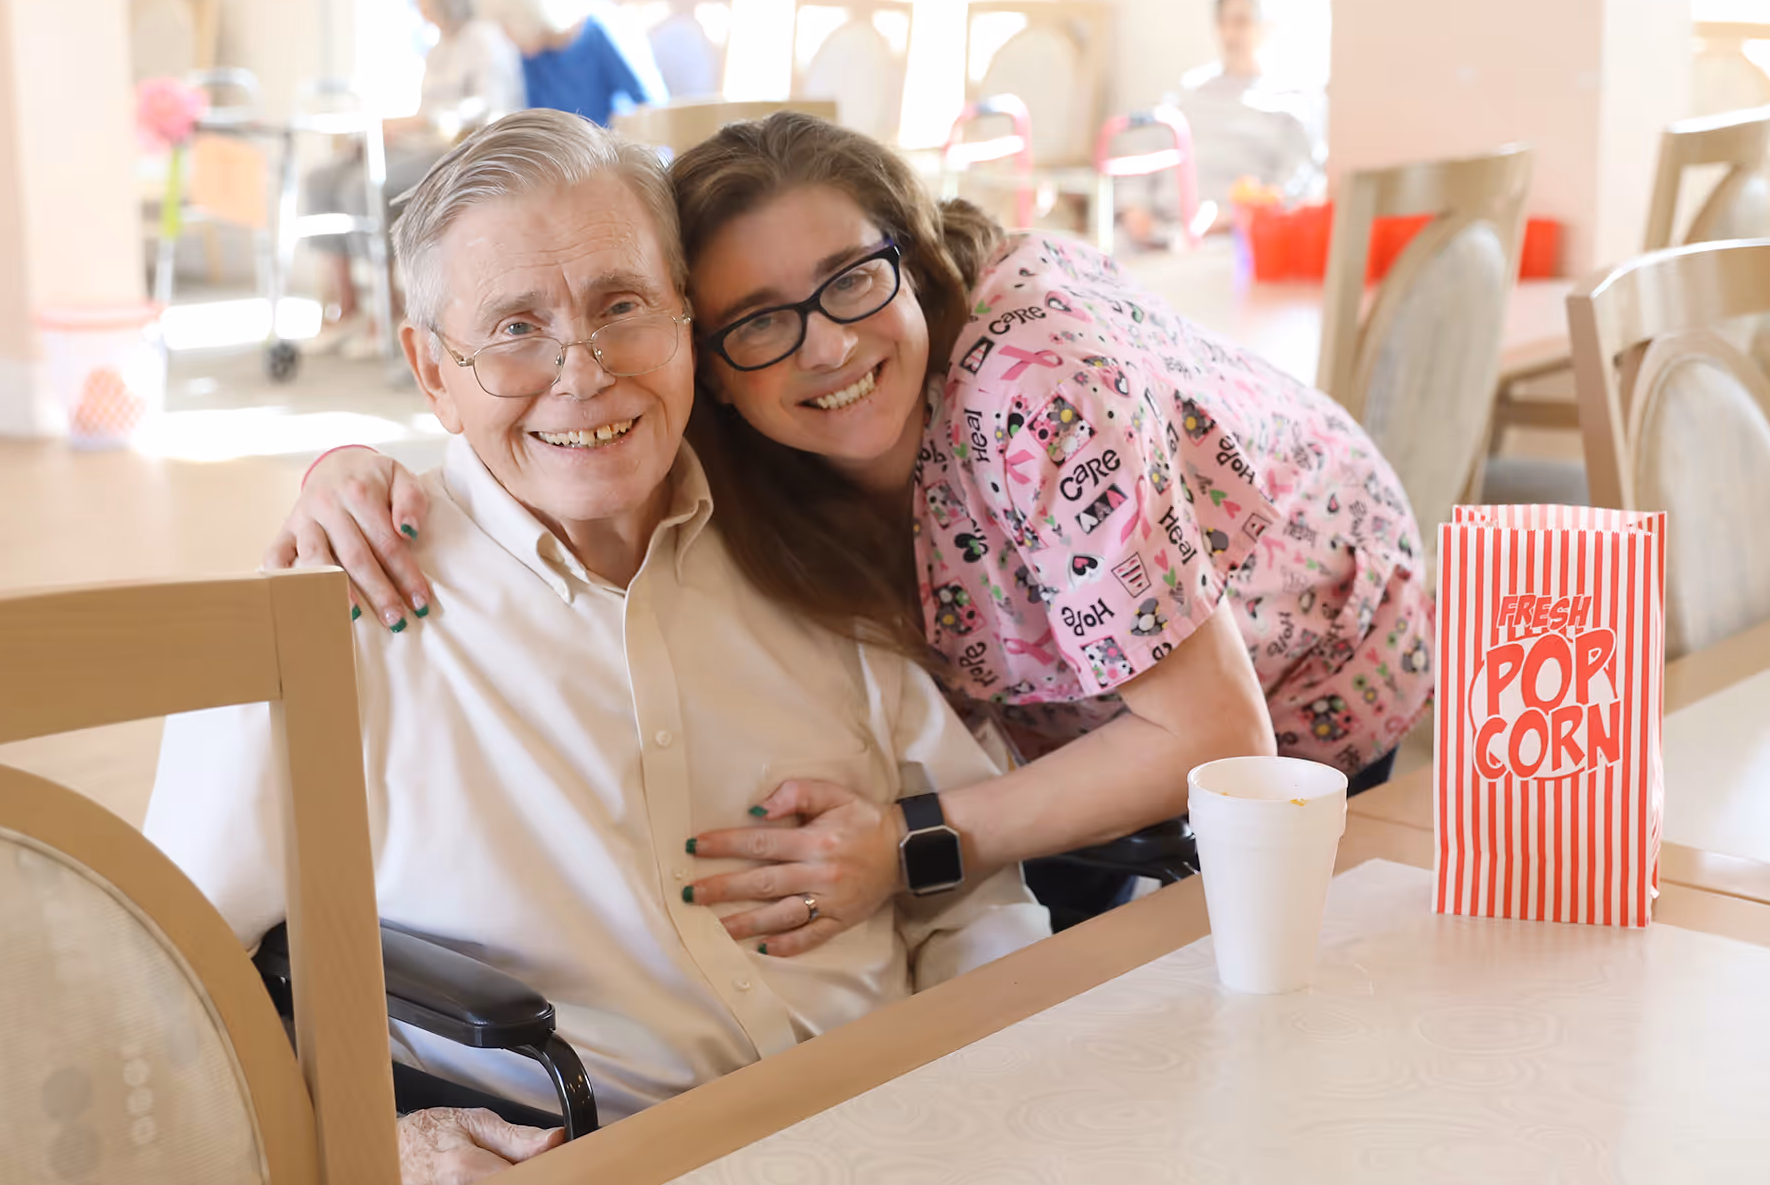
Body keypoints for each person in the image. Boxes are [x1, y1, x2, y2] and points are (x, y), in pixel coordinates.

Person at [278, 110, 1433, 949]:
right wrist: (349, 472)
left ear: (914, 258)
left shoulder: (1034, 388)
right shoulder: (712, 406)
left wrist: (911, 837)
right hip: (1087, 722)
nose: (823, 346)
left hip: (1303, 695)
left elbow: (1212, 733)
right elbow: (557, 414)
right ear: (704, 347)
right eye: (760, 320)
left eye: (851, 280)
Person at [148, 111, 1049, 1185]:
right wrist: (374, 1143)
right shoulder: (329, 615)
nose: (581, 372)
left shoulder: (798, 537)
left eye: (621, 307)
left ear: (685, 320)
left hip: (918, 1124)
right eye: (514, 328)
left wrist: (1006, 1088)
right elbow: (162, 980)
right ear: (432, 372)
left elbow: (972, 894)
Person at [303, 0, 523, 344]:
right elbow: (426, 115)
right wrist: (393, 131)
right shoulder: (439, 47)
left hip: (462, 152)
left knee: (362, 187)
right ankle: (347, 307)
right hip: (423, 144)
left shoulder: (484, 40)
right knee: (322, 179)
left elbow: (486, 111)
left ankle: (387, 315)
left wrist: (410, 124)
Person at [1125, 0, 1324, 245]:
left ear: (1263, 27)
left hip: (1234, 236)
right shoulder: (1184, 97)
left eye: (1241, 21)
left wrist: (1235, 219)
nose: (1231, 34)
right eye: (1223, 22)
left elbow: (1295, 187)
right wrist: (1135, 210)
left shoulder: (1289, 105)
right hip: (1161, 233)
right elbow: (1142, 164)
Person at [483, 0, 664, 128]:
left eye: (506, 23)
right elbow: (537, 123)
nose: (506, 36)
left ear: (530, 16)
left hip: (615, 151)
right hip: (564, 155)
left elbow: (654, 109)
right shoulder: (535, 51)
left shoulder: (603, 30)